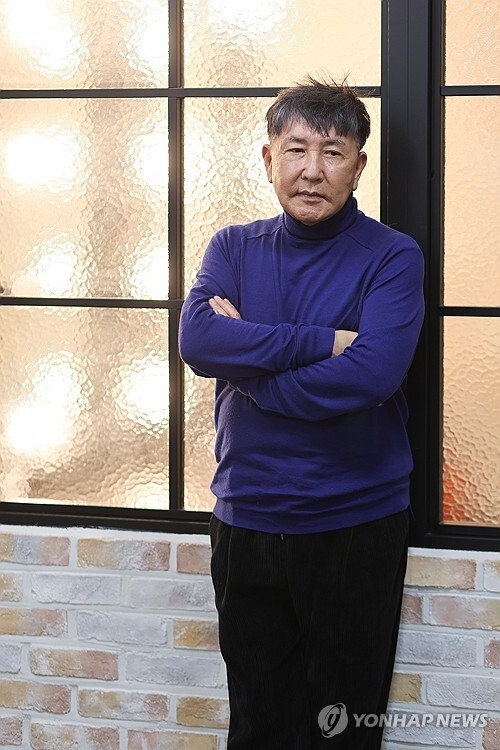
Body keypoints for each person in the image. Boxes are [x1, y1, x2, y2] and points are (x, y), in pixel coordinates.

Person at [178, 77, 425, 750]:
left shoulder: (392, 256)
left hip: (356, 523)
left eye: (333, 152)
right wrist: (322, 343)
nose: (312, 170)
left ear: (358, 166)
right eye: (296, 150)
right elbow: (197, 341)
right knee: (257, 724)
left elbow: (371, 375)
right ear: (269, 159)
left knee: (342, 729)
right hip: (246, 517)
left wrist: (248, 369)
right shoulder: (233, 247)